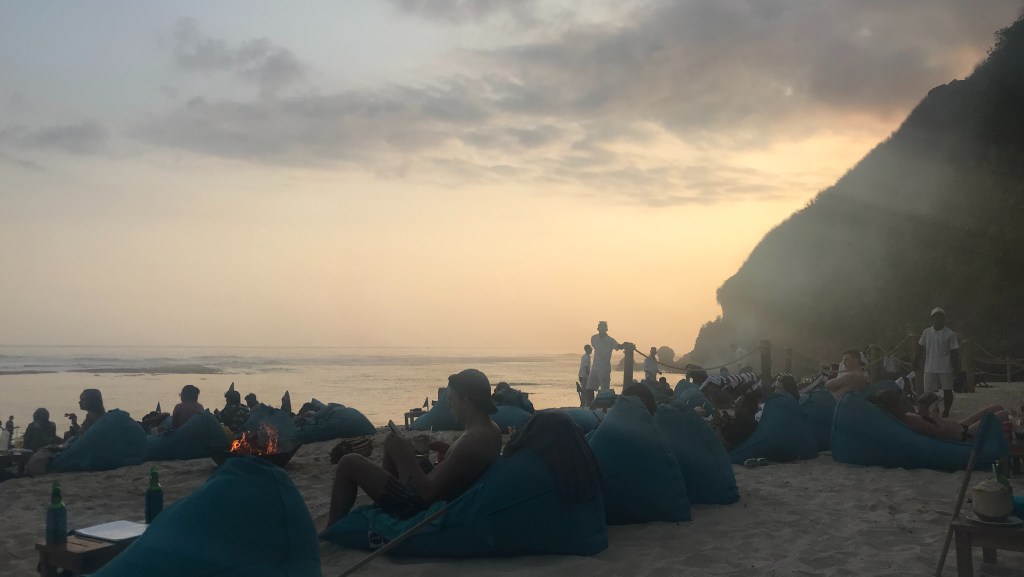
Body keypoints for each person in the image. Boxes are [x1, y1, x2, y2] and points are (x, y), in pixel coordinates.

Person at [326, 369, 502, 526]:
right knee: (392, 442)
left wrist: (407, 455)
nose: (448, 405)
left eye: (450, 399)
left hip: (418, 504)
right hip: (440, 488)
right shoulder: (490, 429)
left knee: (349, 462)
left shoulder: (472, 439)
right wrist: (440, 446)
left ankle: (333, 528)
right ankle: (389, 500)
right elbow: (463, 463)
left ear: (466, 402)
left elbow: (426, 494)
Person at [914, 307, 962, 417]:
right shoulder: (926, 332)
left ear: (944, 319)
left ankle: (946, 410)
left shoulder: (950, 334)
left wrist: (957, 368)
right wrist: (915, 361)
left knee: (947, 390)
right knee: (929, 392)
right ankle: (933, 409)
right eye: (935, 317)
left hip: (945, 366)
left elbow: (954, 352)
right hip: (930, 366)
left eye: (940, 317)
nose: (938, 319)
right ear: (932, 318)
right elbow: (920, 348)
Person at [586, 321, 624, 393]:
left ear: (606, 329)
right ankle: (590, 403)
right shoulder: (594, 338)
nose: (602, 330)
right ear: (598, 329)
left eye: (603, 328)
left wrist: (624, 345)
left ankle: (601, 402)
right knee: (590, 387)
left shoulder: (611, 340)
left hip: (605, 368)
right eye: (601, 328)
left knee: (605, 389)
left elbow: (618, 346)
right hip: (595, 367)